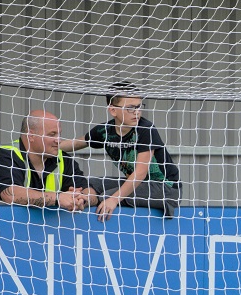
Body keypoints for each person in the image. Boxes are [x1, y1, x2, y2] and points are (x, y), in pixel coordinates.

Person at [60, 82, 181, 221]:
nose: (137, 112)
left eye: (139, 106)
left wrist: (114, 200)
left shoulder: (145, 129)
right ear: (113, 110)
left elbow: (140, 173)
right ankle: (80, 201)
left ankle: (88, 203)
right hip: (138, 186)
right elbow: (74, 144)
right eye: (130, 108)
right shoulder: (104, 131)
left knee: (110, 196)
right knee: (93, 183)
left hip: (166, 189)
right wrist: (48, 146)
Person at [0, 110, 98, 210]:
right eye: (52, 134)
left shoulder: (62, 158)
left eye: (59, 134)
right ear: (31, 135)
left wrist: (81, 199)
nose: (59, 140)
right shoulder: (6, 156)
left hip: (39, 231)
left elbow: (90, 191)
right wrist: (58, 198)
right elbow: (10, 195)